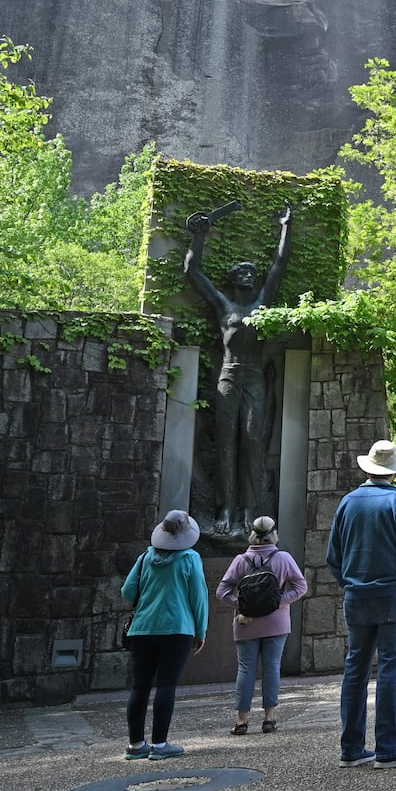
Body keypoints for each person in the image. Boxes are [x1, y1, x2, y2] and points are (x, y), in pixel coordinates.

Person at [184, 204, 294, 536]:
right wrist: (199, 235)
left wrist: (286, 226)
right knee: (226, 444)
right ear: (233, 280)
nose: (249, 273)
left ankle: (250, 509)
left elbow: (280, 264)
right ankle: (225, 509)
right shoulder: (223, 305)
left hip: (255, 379)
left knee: (252, 441)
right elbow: (192, 270)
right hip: (228, 376)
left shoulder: (263, 301)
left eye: (251, 271)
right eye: (242, 271)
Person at [326, 439, 396, 769]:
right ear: (394, 471)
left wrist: (349, 583)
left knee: (355, 668)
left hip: (357, 597)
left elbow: (333, 556)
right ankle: (388, 747)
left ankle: (352, 748)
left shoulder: (348, 503)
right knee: (390, 666)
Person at [121, 510, 209, 760]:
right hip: (178, 628)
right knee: (167, 684)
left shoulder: (145, 558)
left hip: (142, 629)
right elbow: (198, 598)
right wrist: (201, 630)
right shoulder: (191, 558)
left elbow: (128, 592)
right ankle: (160, 745)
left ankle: (136, 745)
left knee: (140, 686)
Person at [215, 515, 308, 735]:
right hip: (277, 622)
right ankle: (269, 718)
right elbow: (301, 586)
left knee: (245, 669)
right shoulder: (283, 558)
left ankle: (241, 720)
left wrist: (242, 605)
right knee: (272, 667)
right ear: (274, 534)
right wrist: (278, 602)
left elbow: (222, 591)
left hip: (245, 622)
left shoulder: (241, 560)